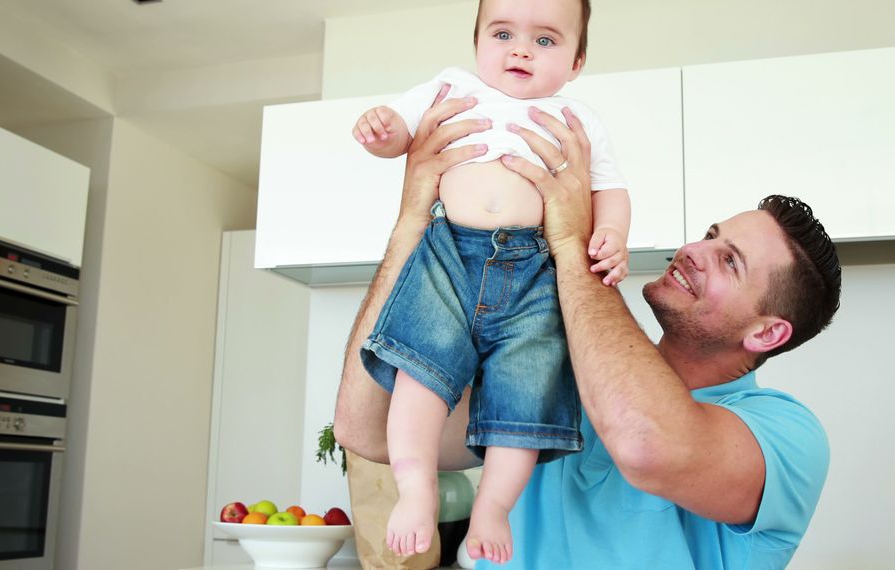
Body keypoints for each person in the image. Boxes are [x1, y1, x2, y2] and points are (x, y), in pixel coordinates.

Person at [335, 89, 842, 568]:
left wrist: (572, 243)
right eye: (711, 234)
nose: (693, 249)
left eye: (729, 261)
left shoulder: (787, 437)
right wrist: (411, 225)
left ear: (767, 334)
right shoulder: (556, 376)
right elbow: (364, 429)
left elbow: (646, 443)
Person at [350, 0, 630, 563]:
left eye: (546, 40)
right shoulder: (449, 88)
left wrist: (614, 235)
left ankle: (493, 507)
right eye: (503, 33)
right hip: (448, 251)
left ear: (576, 61)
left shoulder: (578, 120)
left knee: (523, 394)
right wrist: (380, 131)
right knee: (419, 369)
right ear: (477, 43)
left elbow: (611, 190)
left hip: (535, 269)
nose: (521, 49)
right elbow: (398, 134)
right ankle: (415, 487)